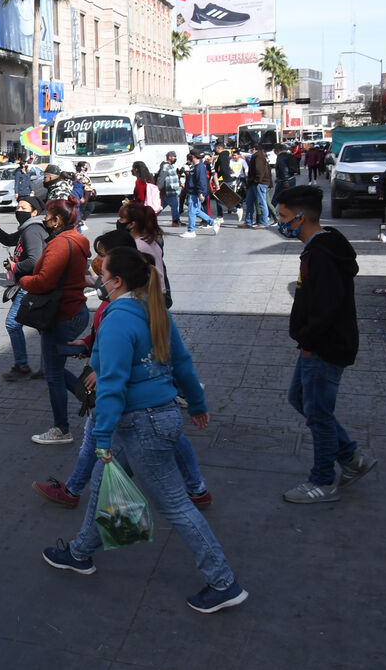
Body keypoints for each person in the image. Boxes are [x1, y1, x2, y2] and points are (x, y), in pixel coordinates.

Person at [41, 246, 248, 615]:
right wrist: (196, 403)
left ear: (117, 281)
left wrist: (101, 436)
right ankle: (80, 552)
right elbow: (181, 362)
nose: (98, 280)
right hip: (154, 419)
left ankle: (223, 581)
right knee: (103, 482)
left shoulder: (118, 320)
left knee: (176, 506)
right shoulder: (152, 309)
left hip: (141, 425)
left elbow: (112, 384)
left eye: (102, 274)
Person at [31, 229, 212, 510]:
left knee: (171, 503)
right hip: (156, 409)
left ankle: (75, 491)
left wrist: (100, 371)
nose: (97, 266)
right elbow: (178, 361)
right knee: (164, 442)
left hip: (135, 407)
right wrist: (89, 345)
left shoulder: (123, 311)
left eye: (102, 259)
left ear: (118, 276)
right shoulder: (136, 303)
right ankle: (196, 489)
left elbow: (125, 369)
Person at [272, 186, 377, 503]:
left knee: (318, 413)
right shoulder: (321, 247)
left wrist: (308, 341)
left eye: (284, 216)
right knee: (300, 398)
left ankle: (323, 481)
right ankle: (352, 458)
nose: (280, 222)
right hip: (317, 342)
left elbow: (327, 307)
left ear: (301, 217)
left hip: (324, 346)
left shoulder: (321, 255)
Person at [17, 198, 91, 445]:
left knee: (53, 374)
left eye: (48, 218)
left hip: (62, 314)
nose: (45, 221)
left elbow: (44, 281)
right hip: (73, 310)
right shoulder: (76, 239)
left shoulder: (60, 244)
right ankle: (93, 399)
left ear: (58, 220)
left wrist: (22, 280)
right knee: (54, 369)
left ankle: (62, 428)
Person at [0, 196, 48, 381]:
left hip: (30, 285)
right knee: (42, 326)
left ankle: (22, 365)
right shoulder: (27, 228)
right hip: (29, 284)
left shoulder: (32, 230)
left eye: (23, 208)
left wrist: (15, 267)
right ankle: (47, 366)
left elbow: (34, 260)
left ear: (34, 212)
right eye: (18, 207)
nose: (19, 210)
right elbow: (9, 239)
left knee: (13, 323)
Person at [182, 152, 219, 238]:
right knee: (196, 211)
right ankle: (213, 222)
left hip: (195, 193)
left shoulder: (200, 167)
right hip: (193, 192)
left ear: (193, 156)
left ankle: (191, 231)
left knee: (192, 212)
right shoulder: (196, 167)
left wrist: (200, 193)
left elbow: (201, 181)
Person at [242, 145, 272, 228]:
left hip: (259, 183)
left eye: (250, 148)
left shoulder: (259, 156)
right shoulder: (258, 155)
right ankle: (248, 222)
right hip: (254, 182)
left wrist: (257, 181)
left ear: (253, 149)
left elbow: (259, 170)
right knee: (249, 202)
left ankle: (264, 223)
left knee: (261, 202)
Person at [156, 152, 182, 227]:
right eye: (174, 156)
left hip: (170, 191)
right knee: (175, 206)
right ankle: (175, 221)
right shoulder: (166, 166)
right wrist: (158, 188)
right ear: (169, 157)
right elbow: (161, 177)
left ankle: (149, 218)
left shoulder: (170, 165)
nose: (175, 158)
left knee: (161, 207)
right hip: (169, 191)